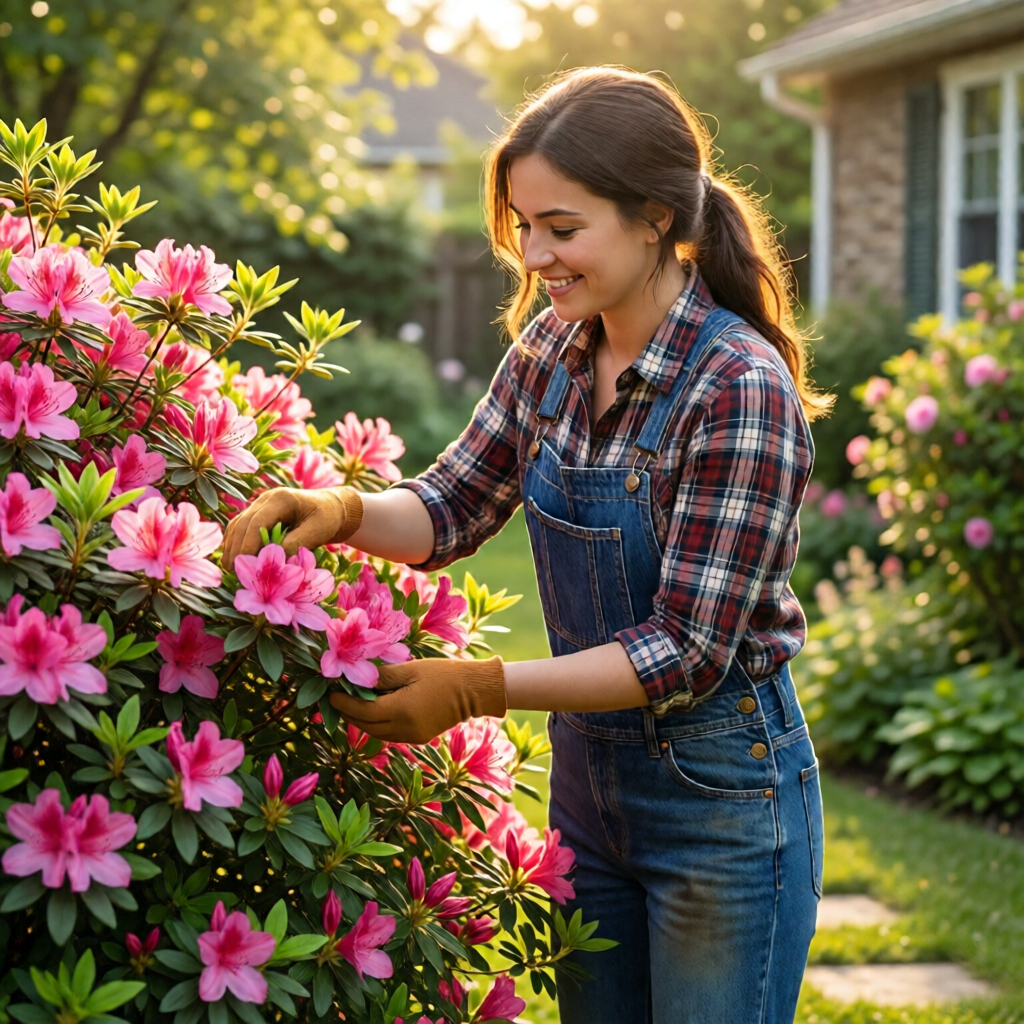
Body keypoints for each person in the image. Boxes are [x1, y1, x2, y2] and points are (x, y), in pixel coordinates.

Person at [223, 67, 829, 1024]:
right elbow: (452, 504)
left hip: (722, 801)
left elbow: (688, 648)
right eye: (524, 226)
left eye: (563, 226)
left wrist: (480, 688)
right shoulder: (554, 348)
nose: (538, 255)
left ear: (656, 217)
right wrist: (340, 508)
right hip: (591, 791)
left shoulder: (735, 387)